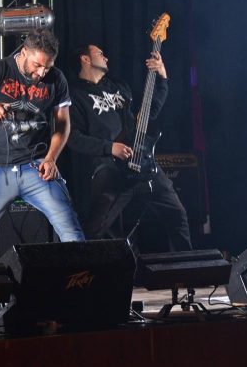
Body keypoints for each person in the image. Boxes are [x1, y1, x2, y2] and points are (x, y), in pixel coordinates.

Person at [0, 29, 85, 267]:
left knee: (71, 230)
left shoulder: (57, 79)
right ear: (24, 52)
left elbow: (63, 125)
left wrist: (51, 158)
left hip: (36, 167)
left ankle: (81, 283)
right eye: (37, 65)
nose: (41, 73)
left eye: (47, 67)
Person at [67, 43, 192, 252]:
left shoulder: (118, 87)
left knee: (177, 215)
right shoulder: (75, 95)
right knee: (95, 230)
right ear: (85, 59)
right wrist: (110, 148)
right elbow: (73, 138)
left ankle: (189, 266)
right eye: (100, 53)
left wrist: (162, 77)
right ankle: (84, 269)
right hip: (111, 168)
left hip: (143, 162)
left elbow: (148, 113)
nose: (106, 57)